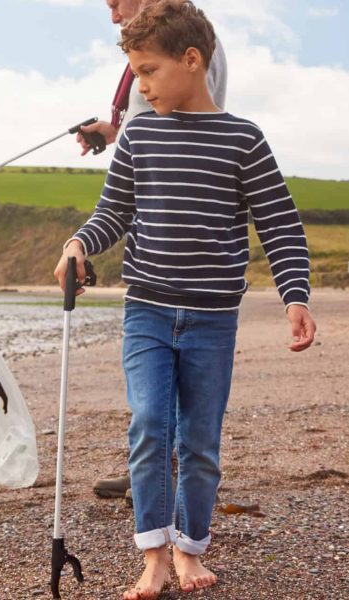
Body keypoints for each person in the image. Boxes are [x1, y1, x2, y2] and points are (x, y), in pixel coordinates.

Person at [53, 2, 316, 596]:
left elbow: (278, 224)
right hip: (146, 309)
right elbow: (113, 214)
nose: (140, 86)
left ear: (191, 60)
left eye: (148, 72)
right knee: (149, 425)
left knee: (199, 439)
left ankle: (191, 548)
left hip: (212, 320)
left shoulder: (243, 139)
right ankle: (153, 553)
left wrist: (294, 296)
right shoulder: (140, 134)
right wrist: (77, 243)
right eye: (136, 73)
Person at [84, 0, 229, 503]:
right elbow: (144, 135)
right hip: (149, 286)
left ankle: (159, 471)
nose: (112, 14)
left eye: (115, 2)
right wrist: (112, 132)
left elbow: (188, 125)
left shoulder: (189, 42)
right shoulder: (154, 67)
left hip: (195, 276)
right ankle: (151, 467)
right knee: (150, 405)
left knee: (191, 421)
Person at [75, 0, 227, 157]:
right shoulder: (170, 40)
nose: (114, 18)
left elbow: (193, 126)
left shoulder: (188, 36)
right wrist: (119, 132)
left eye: (115, 5)